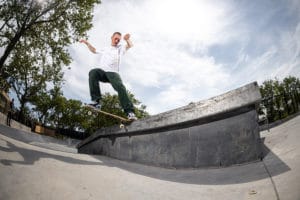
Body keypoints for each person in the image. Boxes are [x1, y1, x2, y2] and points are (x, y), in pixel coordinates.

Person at [80, 32, 137, 120]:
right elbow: (94, 50)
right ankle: (96, 102)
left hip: (113, 73)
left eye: (119, 39)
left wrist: (127, 40)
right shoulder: (105, 48)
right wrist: (87, 43)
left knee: (120, 87)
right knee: (93, 72)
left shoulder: (120, 48)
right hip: (102, 72)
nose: (117, 40)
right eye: (116, 38)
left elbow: (130, 45)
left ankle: (130, 112)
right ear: (112, 37)